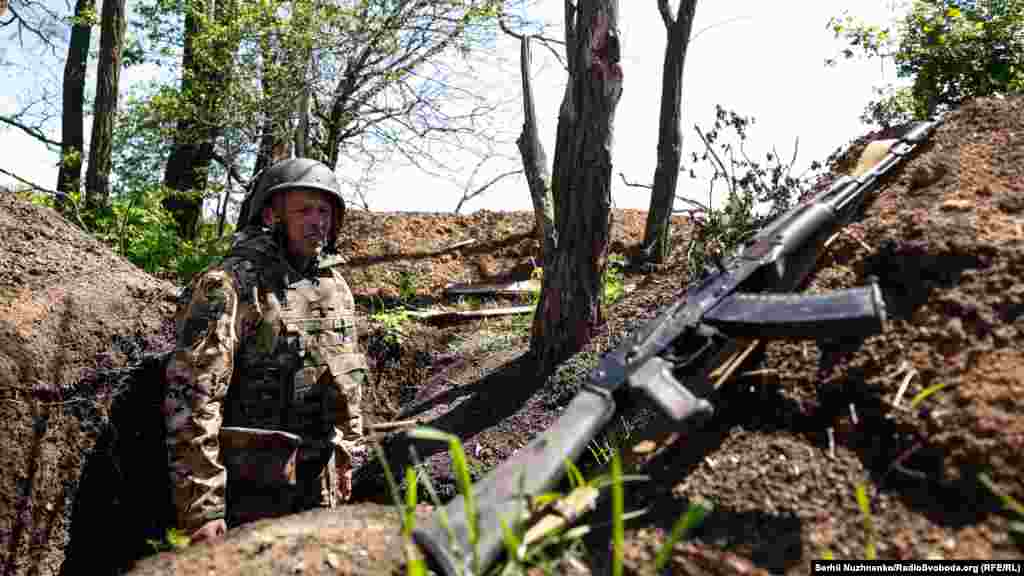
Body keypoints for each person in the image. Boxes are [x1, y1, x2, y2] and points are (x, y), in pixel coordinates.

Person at [162, 157, 368, 544]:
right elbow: (194, 401)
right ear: (272, 215)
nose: (317, 221)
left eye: (324, 211)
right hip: (250, 495)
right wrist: (203, 507)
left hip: (319, 491)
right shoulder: (230, 285)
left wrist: (349, 458)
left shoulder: (336, 287)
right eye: (304, 210)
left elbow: (348, 386)